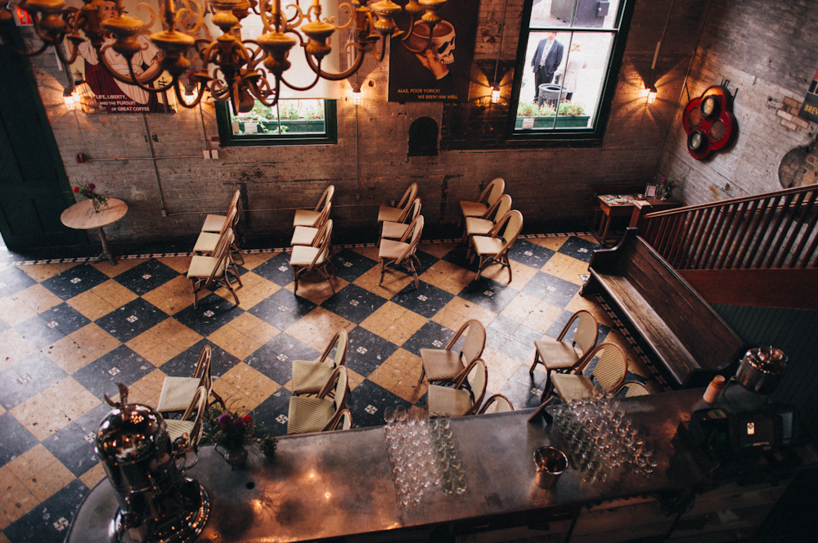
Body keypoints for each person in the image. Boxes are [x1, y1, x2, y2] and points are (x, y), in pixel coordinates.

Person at [530, 32, 564, 102]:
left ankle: (543, 101)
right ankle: (536, 99)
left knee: (545, 87)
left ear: (554, 34)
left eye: (549, 32)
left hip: (548, 70)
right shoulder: (542, 42)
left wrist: (552, 69)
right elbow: (536, 53)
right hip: (538, 68)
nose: (547, 33)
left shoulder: (559, 46)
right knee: (537, 85)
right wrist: (533, 64)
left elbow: (558, 59)